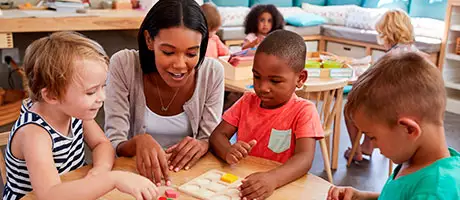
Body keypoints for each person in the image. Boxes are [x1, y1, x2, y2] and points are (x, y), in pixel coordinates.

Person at [3, 32, 158, 200]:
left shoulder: (75, 113)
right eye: (91, 92)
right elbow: (50, 195)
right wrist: (112, 179)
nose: (102, 97)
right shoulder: (34, 134)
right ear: (52, 96)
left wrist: (100, 170)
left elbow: (102, 144)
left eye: (103, 86)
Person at [104, 0, 225, 187]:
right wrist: (138, 142)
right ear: (149, 40)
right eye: (168, 52)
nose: (179, 64)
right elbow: (112, 143)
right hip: (133, 178)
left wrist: (204, 144)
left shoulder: (212, 72)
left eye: (192, 54)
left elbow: (209, 137)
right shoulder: (124, 64)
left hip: (189, 180)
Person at [328, 52, 460, 200]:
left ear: (409, 129)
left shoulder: (436, 191)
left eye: (372, 137)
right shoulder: (417, 161)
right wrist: (361, 197)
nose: (373, 146)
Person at [210, 30, 323, 200]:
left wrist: (273, 179)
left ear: (300, 78)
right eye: (257, 76)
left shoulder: (304, 111)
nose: (263, 87)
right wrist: (228, 150)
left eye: (275, 81)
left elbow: (304, 158)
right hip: (243, 184)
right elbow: (218, 135)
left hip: (282, 187)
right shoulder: (246, 101)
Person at [344, 9, 428, 162]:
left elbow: (365, 82)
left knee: (351, 108)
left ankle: (356, 151)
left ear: (388, 34)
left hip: (389, 113)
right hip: (411, 111)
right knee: (372, 102)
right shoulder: (417, 55)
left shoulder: (390, 58)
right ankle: (367, 145)